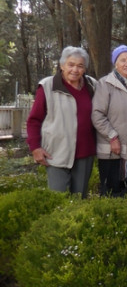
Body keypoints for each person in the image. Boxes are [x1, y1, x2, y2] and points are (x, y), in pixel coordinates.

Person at [27, 46, 97, 197]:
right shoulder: (47, 86)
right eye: (70, 65)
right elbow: (34, 120)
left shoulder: (92, 85)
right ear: (62, 65)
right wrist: (35, 148)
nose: (75, 70)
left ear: (85, 68)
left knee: (79, 200)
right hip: (56, 152)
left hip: (85, 152)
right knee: (58, 198)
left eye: (80, 66)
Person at [92, 45, 127, 196]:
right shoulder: (105, 84)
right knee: (112, 192)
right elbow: (97, 114)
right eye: (122, 60)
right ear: (115, 63)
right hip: (112, 150)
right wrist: (112, 136)